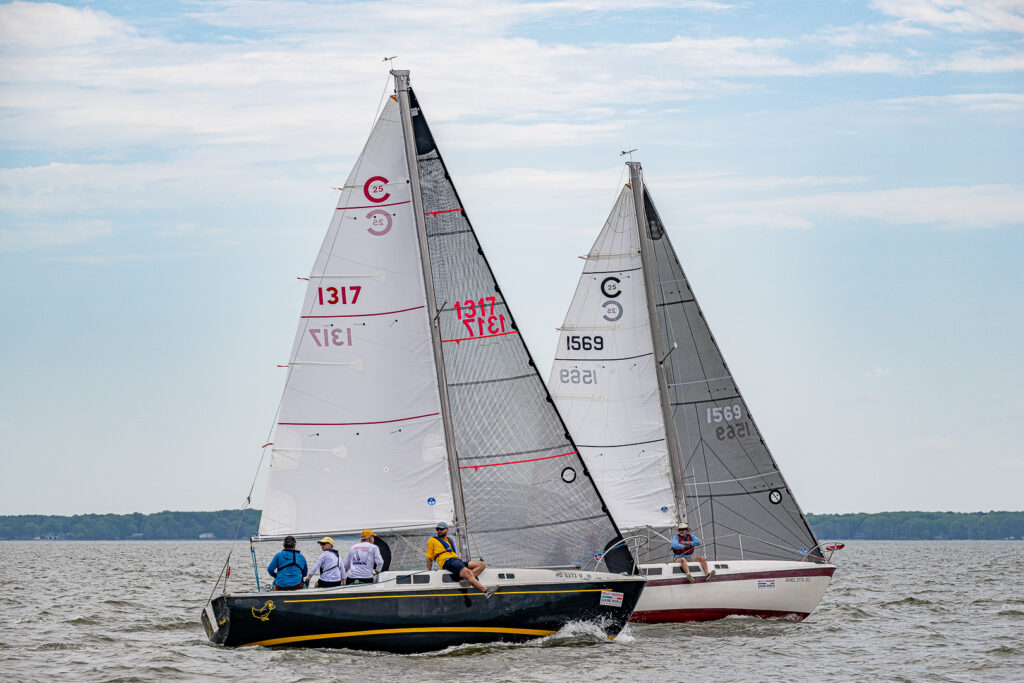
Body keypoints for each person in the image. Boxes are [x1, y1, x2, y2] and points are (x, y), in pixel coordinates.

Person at [426, 522, 496, 598]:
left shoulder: (450, 540)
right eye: (438, 529)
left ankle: (468, 581)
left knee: (481, 565)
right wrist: (429, 571)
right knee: (467, 572)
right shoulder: (432, 540)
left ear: (447, 530)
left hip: (456, 560)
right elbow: (429, 556)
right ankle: (486, 591)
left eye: (441, 529)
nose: (439, 531)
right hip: (447, 561)